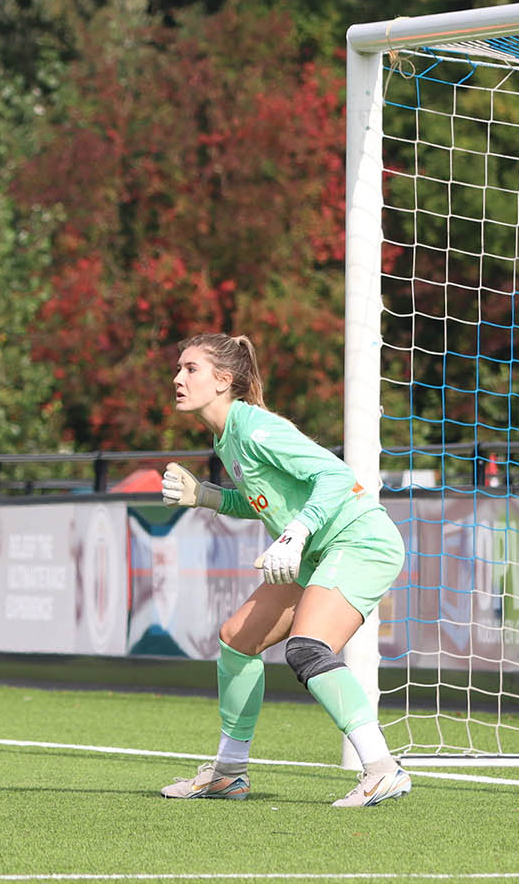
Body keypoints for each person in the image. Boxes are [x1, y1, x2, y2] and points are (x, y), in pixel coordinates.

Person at [158, 333, 411, 808]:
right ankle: (229, 773)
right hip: (316, 550)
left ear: (222, 380)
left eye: (190, 369)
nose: (177, 378)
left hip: (359, 542)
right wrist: (206, 496)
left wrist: (295, 533)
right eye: (178, 368)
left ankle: (382, 770)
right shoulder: (227, 435)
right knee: (237, 640)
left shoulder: (254, 428)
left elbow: (336, 476)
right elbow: (262, 501)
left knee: (307, 648)